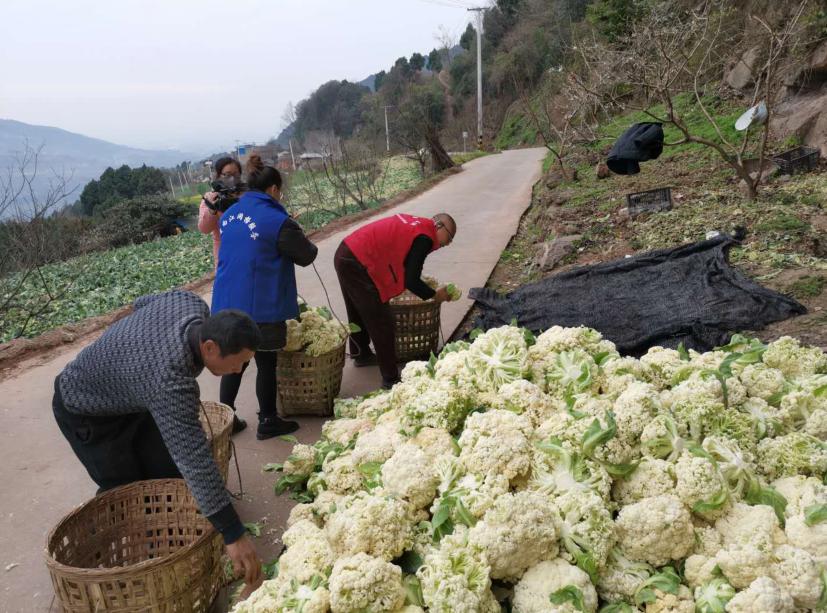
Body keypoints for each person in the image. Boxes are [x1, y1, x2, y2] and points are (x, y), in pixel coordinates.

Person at [53, 290, 264, 595]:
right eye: (238, 363)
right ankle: (106, 566)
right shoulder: (170, 382)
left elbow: (140, 303)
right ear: (209, 347)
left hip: (132, 399)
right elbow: (194, 458)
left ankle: (171, 551)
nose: (238, 371)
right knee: (126, 490)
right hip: (84, 409)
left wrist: (130, 351)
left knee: (165, 472)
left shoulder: (190, 304)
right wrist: (234, 533)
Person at [211, 155, 317, 439]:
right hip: (260, 303)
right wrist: (297, 230)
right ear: (272, 190)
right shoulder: (277, 219)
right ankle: (268, 420)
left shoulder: (231, 213)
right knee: (266, 361)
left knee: (235, 361)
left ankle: (226, 418)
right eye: (279, 190)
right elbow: (306, 255)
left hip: (226, 303)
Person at [334, 212, 456, 389]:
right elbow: (411, 280)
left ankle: (361, 354)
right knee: (380, 319)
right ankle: (390, 379)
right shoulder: (425, 237)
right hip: (356, 259)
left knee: (357, 309)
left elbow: (406, 265)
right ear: (438, 225)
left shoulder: (418, 225)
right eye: (450, 236)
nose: (448, 243)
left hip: (347, 252)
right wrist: (435, 295)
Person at [198, 157, 243, 269]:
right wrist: (212, 210)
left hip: (248, 252)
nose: (232, 178)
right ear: (218, 176)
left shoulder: (247, 194)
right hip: (225, 256)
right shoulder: (211, 198)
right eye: (227, 175)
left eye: (236, 175)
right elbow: (204, 229)